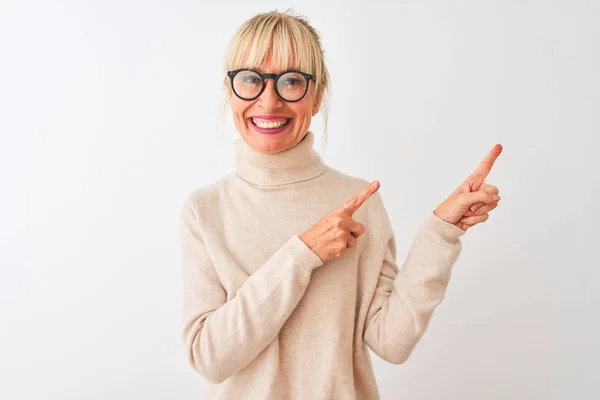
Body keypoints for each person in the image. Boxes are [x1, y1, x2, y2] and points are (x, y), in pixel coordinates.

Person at [179, 9, 502, 400]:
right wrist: (303, 253)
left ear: (316, 97)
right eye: (250, 79)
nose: (269, 100)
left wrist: (441, 231)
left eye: (291, 81)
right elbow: (209, 357)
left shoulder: (358, 200)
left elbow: (391, 343)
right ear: (231, 91)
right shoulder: (205, 210)